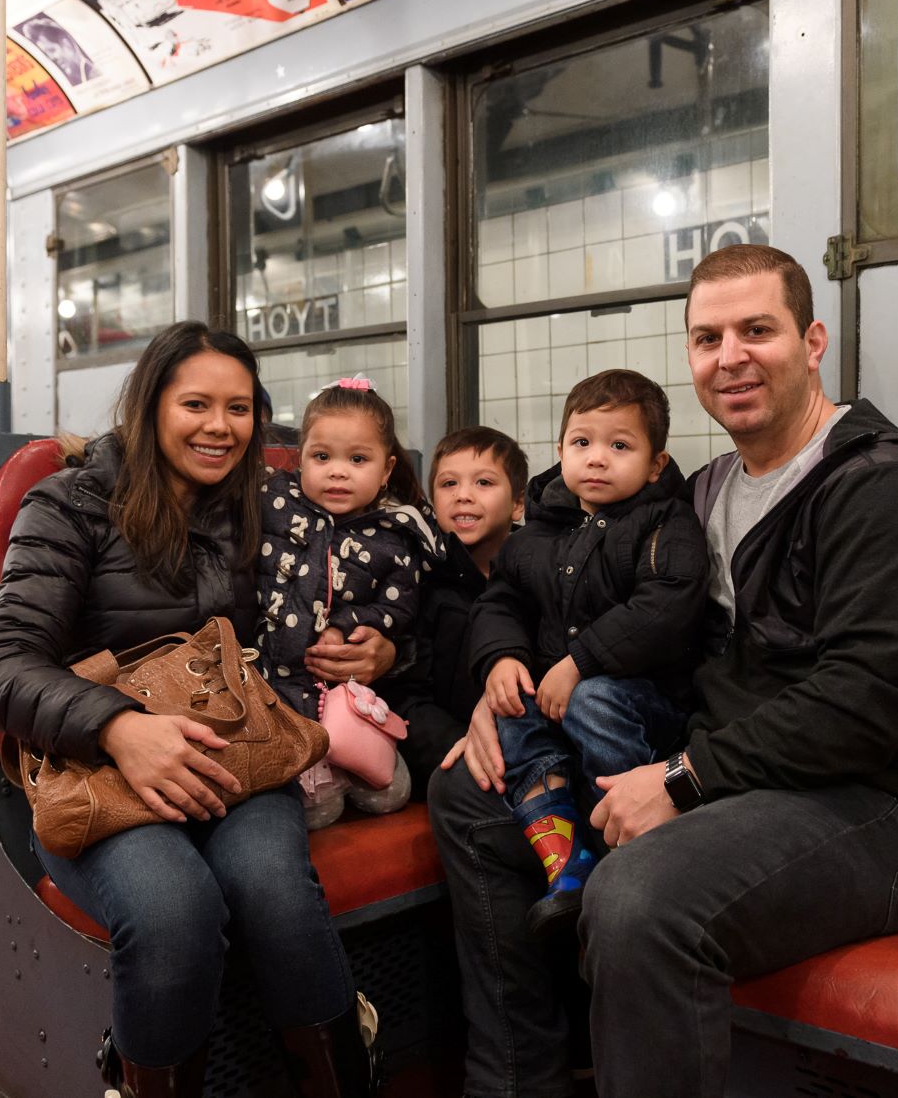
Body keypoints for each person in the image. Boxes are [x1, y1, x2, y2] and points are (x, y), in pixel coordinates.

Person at [428, 244, 898, 1098]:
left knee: (639, 895)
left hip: (874, 804)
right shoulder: (693, 493)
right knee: (471, 793)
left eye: (756, 330)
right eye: (706, 338)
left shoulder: (884, 488)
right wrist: (496, 681)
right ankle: (518, 1082)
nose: (730, 357)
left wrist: (683, 780)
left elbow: (874, 700)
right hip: (723, 772)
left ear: (812, 341)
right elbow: (556, 587)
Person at [0, 322, 392, 1098]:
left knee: (276, 894)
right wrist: (118, 728)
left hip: (237, 754)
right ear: (150, 405)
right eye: (195, 403)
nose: (218, 427)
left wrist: (384, 652)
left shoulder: (267, 506)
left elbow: (373, 572)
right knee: (173, 913)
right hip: (98, 770)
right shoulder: (69, 504)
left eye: (238, 409)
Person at [470, 370, 708, 938]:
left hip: (646, 701)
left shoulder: (665, 521)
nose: (597, 458)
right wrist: (502, 658)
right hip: (559, 695)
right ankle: (565, 854)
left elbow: (666, 605)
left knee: (593, 700)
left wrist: (579, 664)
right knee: (511, 709)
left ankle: (634, 836)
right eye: (582, 443)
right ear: (560, 451)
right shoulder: (537, 532)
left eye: (619, 446)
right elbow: (501, 600)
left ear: (655, 464)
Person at [256, 376, 439, 827]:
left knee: (390, 795)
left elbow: (402, 609)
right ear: (300, 461)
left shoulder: (397, 536)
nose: (338, 471)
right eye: (322, 457)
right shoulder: (274, 501)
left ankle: (349, 762)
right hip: (268, 686)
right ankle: (314, 773)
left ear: (387, 468)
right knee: (318, 813)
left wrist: (355, 622)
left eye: (358, 459)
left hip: (347, 692)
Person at [380, 426, 527, 793]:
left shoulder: (536, 577)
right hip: (454, 751)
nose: (463, 496)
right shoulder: (419, 581)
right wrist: (461, 745)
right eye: (448, 484)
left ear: (518, 503)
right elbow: (405, 695)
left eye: (483, 483)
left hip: (527, 743)